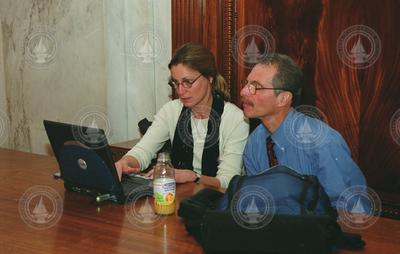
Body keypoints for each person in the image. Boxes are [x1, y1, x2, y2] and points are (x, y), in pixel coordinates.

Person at [115, 43, 249, 189]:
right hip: (179, 196)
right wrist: (125, 162)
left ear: (209, 77)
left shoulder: (236, 119)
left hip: (218, 201)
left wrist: (193, 177)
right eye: (175, 83)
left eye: (187, 82)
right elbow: (143, 151)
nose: (180, 91)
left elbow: (228, 181)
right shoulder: (171, 110)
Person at [240, 53, 366, 207]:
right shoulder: (255, 141)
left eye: (255, 87)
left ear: (283, 99)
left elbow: (350, 210)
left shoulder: (323, 143)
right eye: (247, 84)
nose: (243, 92)